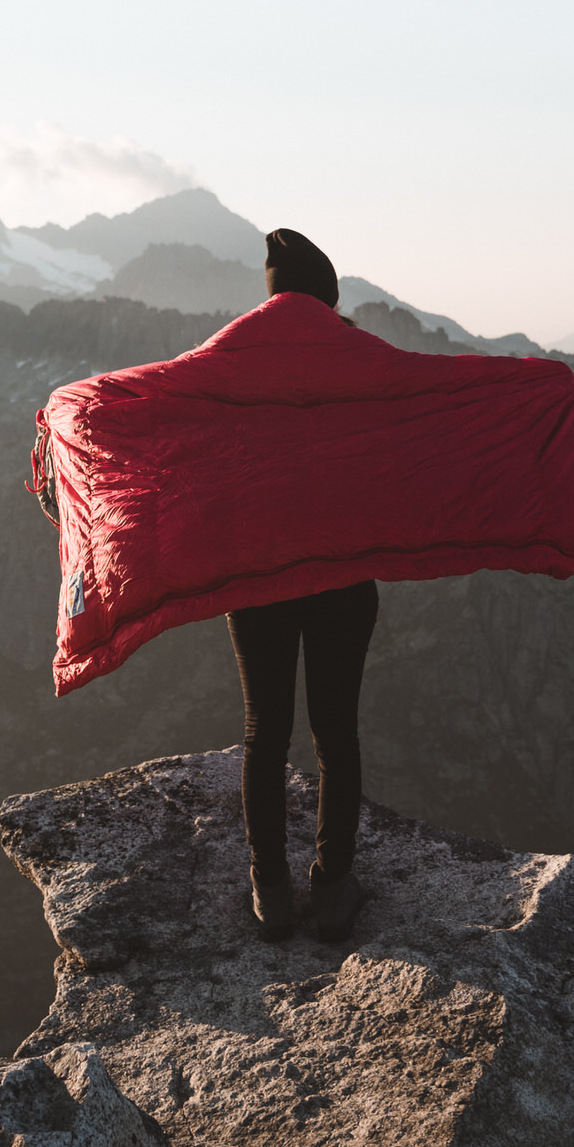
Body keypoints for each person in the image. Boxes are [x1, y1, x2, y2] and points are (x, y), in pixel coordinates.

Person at [227, 228, 377, 946]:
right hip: (344, 575)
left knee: (266, 733)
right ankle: (334, 885)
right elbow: (433, 406)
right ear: (328, 294)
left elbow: (162, 402)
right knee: (334, 731)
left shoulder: (229, 354)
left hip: (257, 575)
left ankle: (270, 892)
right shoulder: (361, 356)